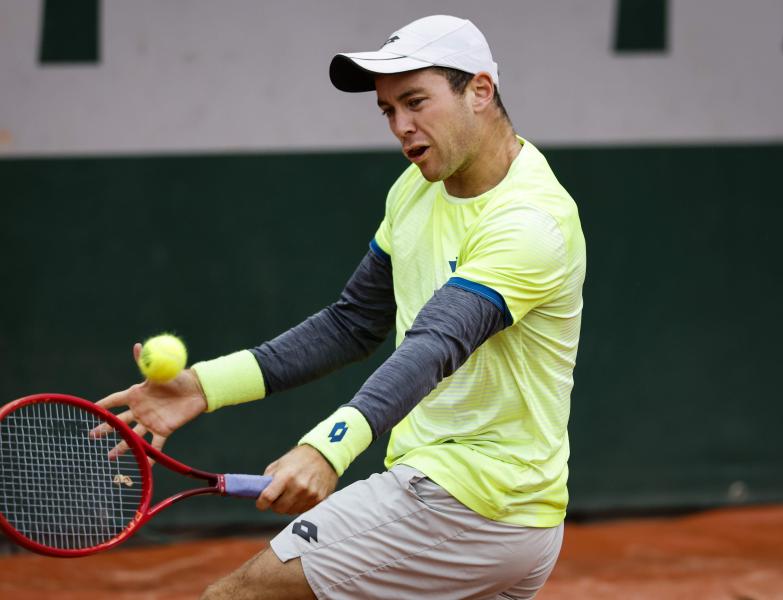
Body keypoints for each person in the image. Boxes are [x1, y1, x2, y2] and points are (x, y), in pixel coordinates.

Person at [98, 15, 586, 600]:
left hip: (468, 501)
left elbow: (435, 344)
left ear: (479, 91)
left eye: (415, 102)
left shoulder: (531, 221)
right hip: (510, 514)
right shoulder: (415, 190)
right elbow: (353, 321)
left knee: (236, 596)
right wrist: (204, 387)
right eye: (388, 111)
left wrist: (327, 449)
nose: (402, 128)